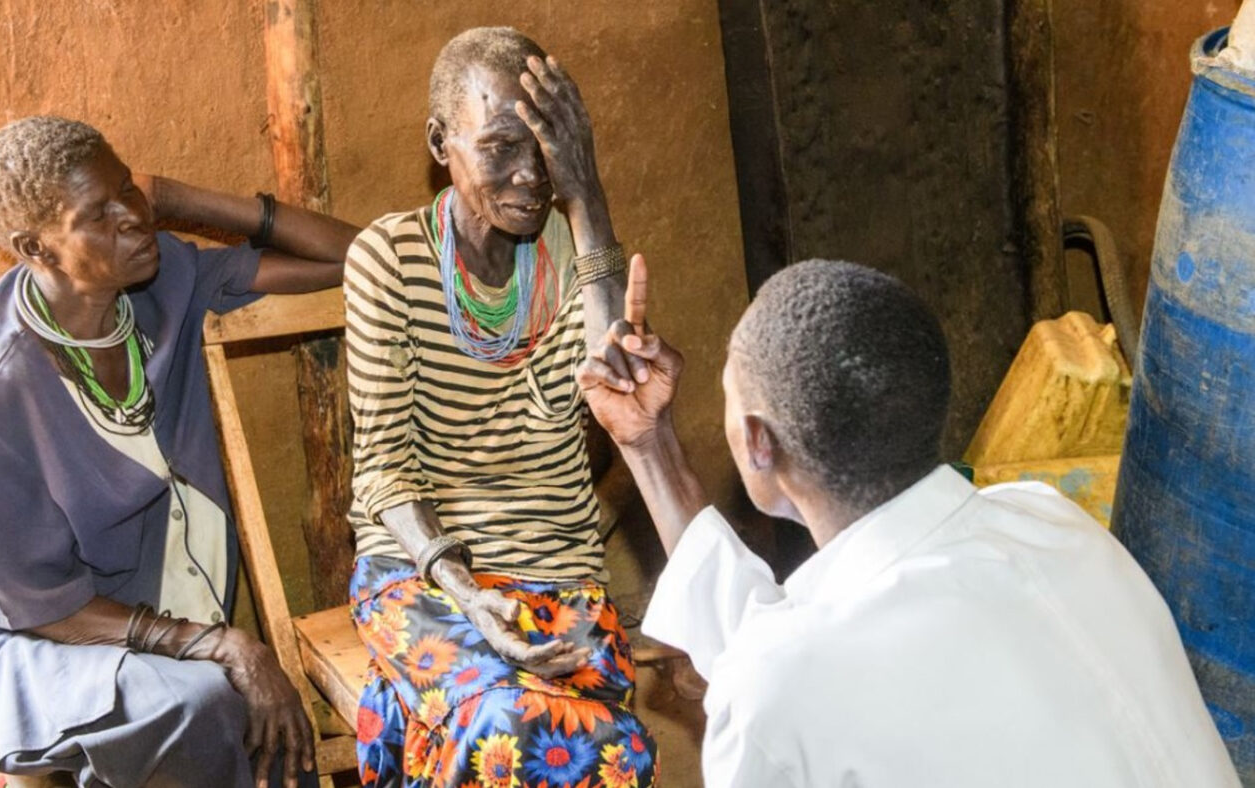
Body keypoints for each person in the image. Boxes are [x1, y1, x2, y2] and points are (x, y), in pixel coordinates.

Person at [577, 257, 1241, 786]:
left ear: (758, 440)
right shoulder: (1050, 522)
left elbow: (783, 683)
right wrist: (648, 444)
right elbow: (784, 656)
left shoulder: (782, 692)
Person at [0, 115, 359, 788]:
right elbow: (37, 606)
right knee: (200, 701)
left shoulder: (160, 286)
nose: (131, 218)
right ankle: (34, 763)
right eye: (98, 213)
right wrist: (220, 644)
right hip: (22, 637)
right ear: (38, 247)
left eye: (129, 190)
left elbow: (356, 257)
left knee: (229, 726)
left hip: (133, 615)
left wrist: (182, 200)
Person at [342, 27, 659, 788]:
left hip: (559, 573)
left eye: (549, 148)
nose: (529, 175)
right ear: (440, 141)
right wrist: (472, 599)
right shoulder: (388, 259)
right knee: (509, 725)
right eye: (499, 148)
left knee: (608, 746)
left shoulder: (579, 261)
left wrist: (590, 200)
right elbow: (385, 470)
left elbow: (611, 395)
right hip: (425, 573)